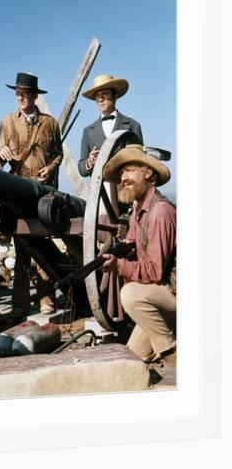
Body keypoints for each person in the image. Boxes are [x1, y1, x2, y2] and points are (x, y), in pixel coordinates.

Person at [101, 144, 176, 366]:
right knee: (133, 360)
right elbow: (132, 242)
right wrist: (120, 249)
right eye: (121, 173)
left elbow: (154, 271)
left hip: (176, 291)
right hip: (160, 295)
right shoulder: (138, 210)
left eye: (130, 170)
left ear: (148, 172)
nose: (123, 178)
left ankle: (171, 353)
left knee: (131, 294)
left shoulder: (160, 211)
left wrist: (120, 266)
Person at [0, 72, 63, 315]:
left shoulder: (50, 123)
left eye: (25, 93)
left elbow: (58, 153)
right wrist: (2, 151)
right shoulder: (6, 122)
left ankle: (47, 298)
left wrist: (51, 168)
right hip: (17, 190)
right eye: (18, 93)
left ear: (35, 96)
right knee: (21, 242)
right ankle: (20, 301)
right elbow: (0, 154)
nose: (20, 97)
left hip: (43, 191)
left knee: (43, 242)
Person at [78, 74, 143, 177]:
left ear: (115, 95)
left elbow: (141, 162)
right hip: (100, 191)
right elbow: (81, 169)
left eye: (105, 94)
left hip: (125, 188)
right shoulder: (87, 131)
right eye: (97, 96)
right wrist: (89, 162)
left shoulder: (133, 126)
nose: (100, 99)